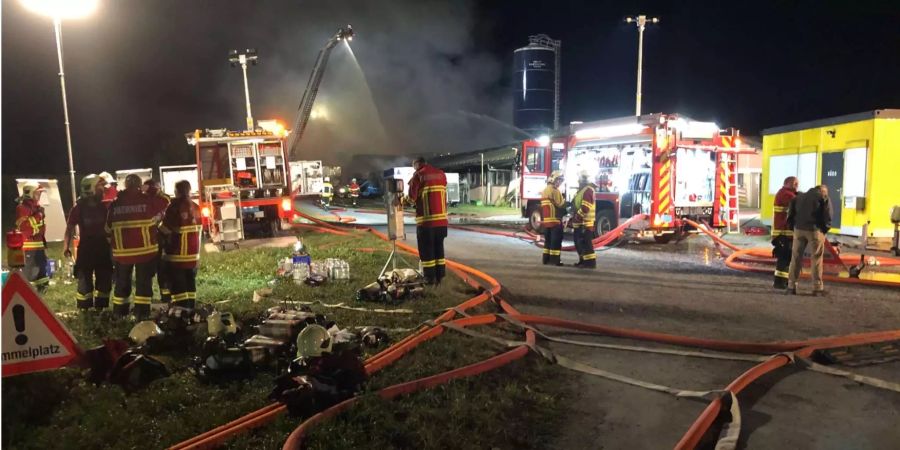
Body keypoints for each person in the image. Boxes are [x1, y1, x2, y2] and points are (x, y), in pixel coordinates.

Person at [106, 174, 163, 318]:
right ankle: (141, 315)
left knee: (122, 284)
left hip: (122, 254)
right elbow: (165, 201)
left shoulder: (115, 203)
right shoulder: (147, 200)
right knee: (143, 284)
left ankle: (119, 314)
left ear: (125, 185)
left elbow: (107, 228)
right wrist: (151, 189)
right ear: (139, 185)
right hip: (145, 252)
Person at [63, 175, 113, 310]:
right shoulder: (78, 209)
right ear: (92, 189)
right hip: (87, 247)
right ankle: (85, 309)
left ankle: (101, 308)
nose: (103, 190)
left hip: (103, 247)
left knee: (104, 278)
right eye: (100, 187)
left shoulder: (106, 206)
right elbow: (69, 228)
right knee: (84, 280)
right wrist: (65, 247)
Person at [159, 180, 202, 310]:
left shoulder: (174, 206)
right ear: (189, 190)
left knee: (177, 284)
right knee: (190, 282)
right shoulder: (196, 206)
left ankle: (181, 309)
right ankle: (191, 307)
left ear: (176, 191)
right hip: (193, 255)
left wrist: (157, 227)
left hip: (176, 255)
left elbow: (165, 229)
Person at [407, 156, 448, 285]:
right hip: (442, 222)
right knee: (439, 248)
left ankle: (429, 278)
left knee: (427, 250)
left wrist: (402, 200)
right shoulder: (441, 174)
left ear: (417, 164)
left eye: (413, 165)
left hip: (426, 222)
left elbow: (411, 198)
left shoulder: (418, 176)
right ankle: (440, 276)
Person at [786, 185, 832, 296]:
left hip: (798, 230)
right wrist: (825, 229)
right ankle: (817, 288)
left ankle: (791, 286)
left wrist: (793, 227)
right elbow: (828, 214)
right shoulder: (823, 197)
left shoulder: (798, 197)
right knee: (816, 258)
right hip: (814, 230)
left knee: (795, 257)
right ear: (822, 191)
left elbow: (790, 213)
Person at [15, 182, 49, 291]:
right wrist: (38, 216)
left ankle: (42, 288)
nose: (39, 196)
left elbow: (40, 227)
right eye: (37, 193)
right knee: (29, 272)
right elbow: (26, 227)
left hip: (39, 245)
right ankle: (26, 292)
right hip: (28, 247)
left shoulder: (37, 208)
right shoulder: (22, 208)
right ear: (30, 193)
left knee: (41, 270)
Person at [143, 179, 172, 303]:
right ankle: (162, 297)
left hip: (157, 238)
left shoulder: (163, 199)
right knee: (156, 269)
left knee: (159, 269)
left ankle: (161, 296)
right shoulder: (149, 198)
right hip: (153, 238)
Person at [771, 176, 798, 289]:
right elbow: (796, 202)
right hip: (783, 234)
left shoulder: (788, 193)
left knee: (786, 259)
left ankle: (782, 281)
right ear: (787, 183)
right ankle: (780, 283)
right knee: (784, 259)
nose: (796, 185)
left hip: (785, 234)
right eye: (794, 183)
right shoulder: (785, 194)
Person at [572, 173, 597, 268]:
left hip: (585, 223)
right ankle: (582, 261)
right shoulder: (582, 191)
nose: (578, 182)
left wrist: (578, 216)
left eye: (579, 181)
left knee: (586, 243)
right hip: (580, 223)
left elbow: (585, 207)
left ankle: (590, 263)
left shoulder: (588, 191)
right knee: (580, 243)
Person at [541, 171, 565, 266]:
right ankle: (555, 261)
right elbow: (560, 205)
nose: (559, 183)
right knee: (556, 242)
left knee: (548, 242)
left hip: (547, 222)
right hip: (555, 221)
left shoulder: (545, 190)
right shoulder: (555, 191)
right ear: (554, 180)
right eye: (558, 180)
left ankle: (546, 259)